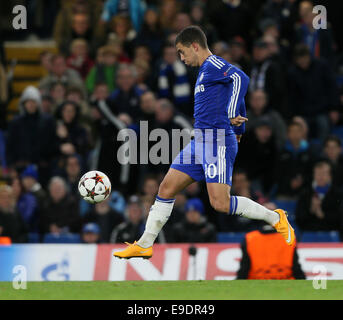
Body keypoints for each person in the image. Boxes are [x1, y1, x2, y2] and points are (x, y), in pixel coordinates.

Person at [113, 26, 295, 260]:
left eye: (181, 51)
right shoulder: (204, 72)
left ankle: (276, 218)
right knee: (166, 188)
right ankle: (145, 244)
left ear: (194, 46)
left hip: (217, 140)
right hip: (199, 140)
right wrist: (239, 126)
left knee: (220, 202)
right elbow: (232, 90)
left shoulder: (213, 65)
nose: (181, 58)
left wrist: (231, 118)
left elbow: (241, 77)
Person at [236, 223, 305, 280]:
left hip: (257, 285)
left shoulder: (250, 238)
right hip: (286, 285)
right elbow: (296, 268)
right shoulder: (288, 237)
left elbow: (244, 269)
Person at [295, 161, 343, 240]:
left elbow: (340, 220)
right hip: (309, 235)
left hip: (331, 235)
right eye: (318, 173)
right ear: (313, 175)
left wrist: (323, 215)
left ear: (330, 176)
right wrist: (311, 210)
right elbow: (299, 220)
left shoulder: (338, 194)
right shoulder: (305, 193)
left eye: (324, 173)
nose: (320, 176)